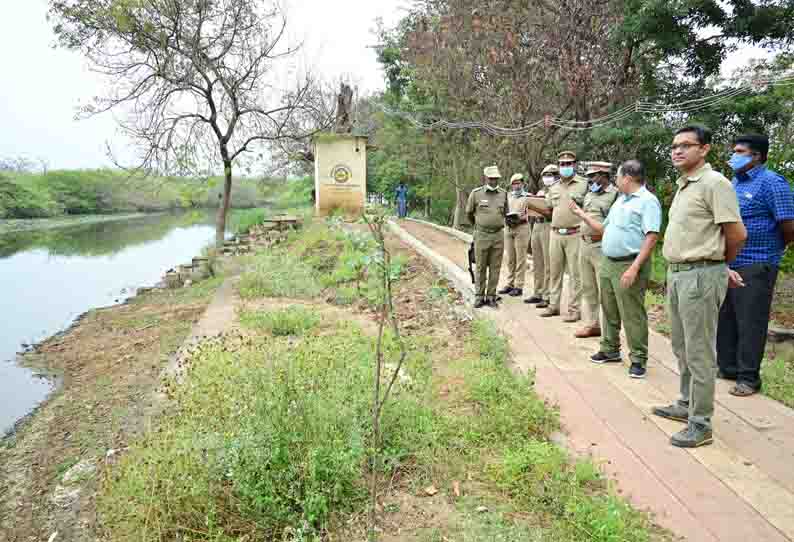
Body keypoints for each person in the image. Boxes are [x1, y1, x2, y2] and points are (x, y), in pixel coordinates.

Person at [652, 125, 747, 448]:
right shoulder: (685, 186)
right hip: (679, 274)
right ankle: (685, 402)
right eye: (675, 145)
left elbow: (736, 234)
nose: (677, 150)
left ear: (704, 149)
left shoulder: (714, 184)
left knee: (700, 350)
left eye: (686, 145)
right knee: (681, 345)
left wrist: (720, 265)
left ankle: (701, 422)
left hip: (700, 275)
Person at [717, 134, 794, 396]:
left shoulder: (772, 183)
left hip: (757, 262)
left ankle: (749, 378)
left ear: (757, 156)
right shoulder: (734, 183)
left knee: (751, 321)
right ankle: (728, 368)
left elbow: (788, 225)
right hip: (728, 262)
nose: (733, 155)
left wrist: (773, 251)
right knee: (726, 317)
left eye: (740, 151)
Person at [571, 160, 662, 379]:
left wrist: (634, 268)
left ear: (628, 178)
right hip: (609, 261)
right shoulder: (621, 200)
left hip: (628, 263)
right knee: (608, 307)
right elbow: (604, 228)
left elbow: (652, 237)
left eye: (618, 177)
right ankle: (610, 349)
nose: (616, 181)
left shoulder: (647, 202)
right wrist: (581, 215)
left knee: (631, 312)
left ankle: (638, 358)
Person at [536, 150, 588, 320]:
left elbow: (590, 208)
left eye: (569, 164)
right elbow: (549, 209)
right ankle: (553, 305)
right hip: (555, 234)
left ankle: (574, 310)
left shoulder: (584, 184)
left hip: (575, 233)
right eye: (562, 164)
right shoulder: (553, 187)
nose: (565, 166)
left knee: (575, 274)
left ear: (575, 165)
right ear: (559, 167)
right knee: (555, 272)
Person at [572, 161, 618, 338]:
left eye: (593, 176)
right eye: (589, 176)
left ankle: (609, 331)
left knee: (604, 289)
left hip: (601, 246)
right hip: (584, 244)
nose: (590, 179)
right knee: (588, 287)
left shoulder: (615, 195)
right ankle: (592, 324)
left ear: (604, 175)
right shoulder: (590, 193)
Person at [466, 165, 509, 308]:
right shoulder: (476, 194)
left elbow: (505, 213)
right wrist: (479, 226)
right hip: (482, 235)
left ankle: (491, 295)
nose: (493, 181)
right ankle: (479, 296)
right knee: (480, 266)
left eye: (496, 179)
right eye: (491, 178)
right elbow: (469, 214)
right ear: (486, 178)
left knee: (496, 267)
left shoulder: (503, 194)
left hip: (498, 235)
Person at [525, 165, 558, 308]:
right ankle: (537, 292)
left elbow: (551, 212)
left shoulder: (557, 192)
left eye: (550, 175)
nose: (547, 178)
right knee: (537, 262)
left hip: (548, 225)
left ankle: (547, 295)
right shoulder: (541, 191)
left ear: (556, 176)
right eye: (545, 175)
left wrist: (535, 207)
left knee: (548, 263)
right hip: (536, 225)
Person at [499, 173, 532, 297]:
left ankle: (519, 286)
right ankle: (510, 283)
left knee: (520, 258)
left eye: (518, 183)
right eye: (514, 183)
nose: (516, 185)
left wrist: (520, 217)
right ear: (511, 185)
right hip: (508, 228)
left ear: (522, 184)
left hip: (522, 228)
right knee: (510, 258)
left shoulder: (528, 197)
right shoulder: (507, 197)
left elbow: (531, 214)